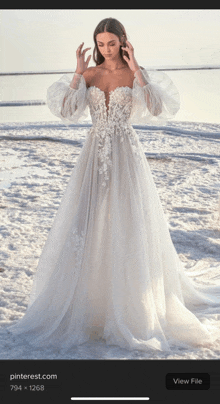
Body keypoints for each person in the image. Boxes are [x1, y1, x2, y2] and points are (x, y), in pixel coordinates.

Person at [8, 18, 220, 352]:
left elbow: (156, 108)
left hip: (126, 152)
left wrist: (136, 68)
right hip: (94, 154)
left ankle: (131, 301)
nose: (105, 49)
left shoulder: (135, 73)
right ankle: (91, 299)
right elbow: (66, 111)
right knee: (88, 220)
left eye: (111, 43)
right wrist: (78, 70)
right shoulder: (90, 75)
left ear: (123, 41)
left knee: (127, 219)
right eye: (101, 43)